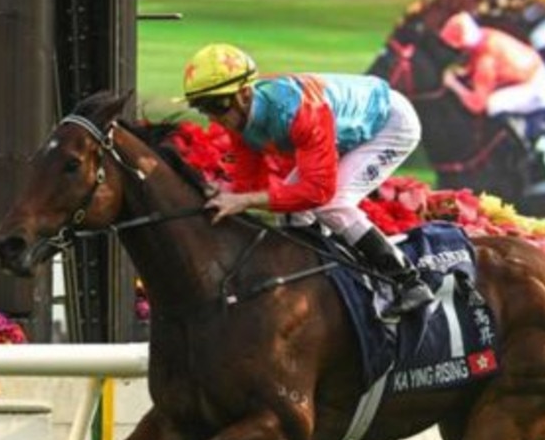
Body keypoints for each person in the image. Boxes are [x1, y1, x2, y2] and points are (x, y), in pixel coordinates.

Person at [182, 43, 435, 318]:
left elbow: (318, 192)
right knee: (293, 214)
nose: (211, 117)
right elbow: (248, 185)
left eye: (216, 105)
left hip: (390, 124)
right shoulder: (238, 119)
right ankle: (325, 287)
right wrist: (219, 195)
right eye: (201, 107)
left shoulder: (297, 112)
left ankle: (408, 282)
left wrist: (244, 200)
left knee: (332, 204)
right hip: (345, 128)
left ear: (244, 94)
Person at [439, 11, 545, 117]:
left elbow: (477, 105)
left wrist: (453, 85)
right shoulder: (486, 32)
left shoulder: (485, 63)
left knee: (492, 104)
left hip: (536, 89)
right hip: (538, 70)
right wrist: (467, 69)